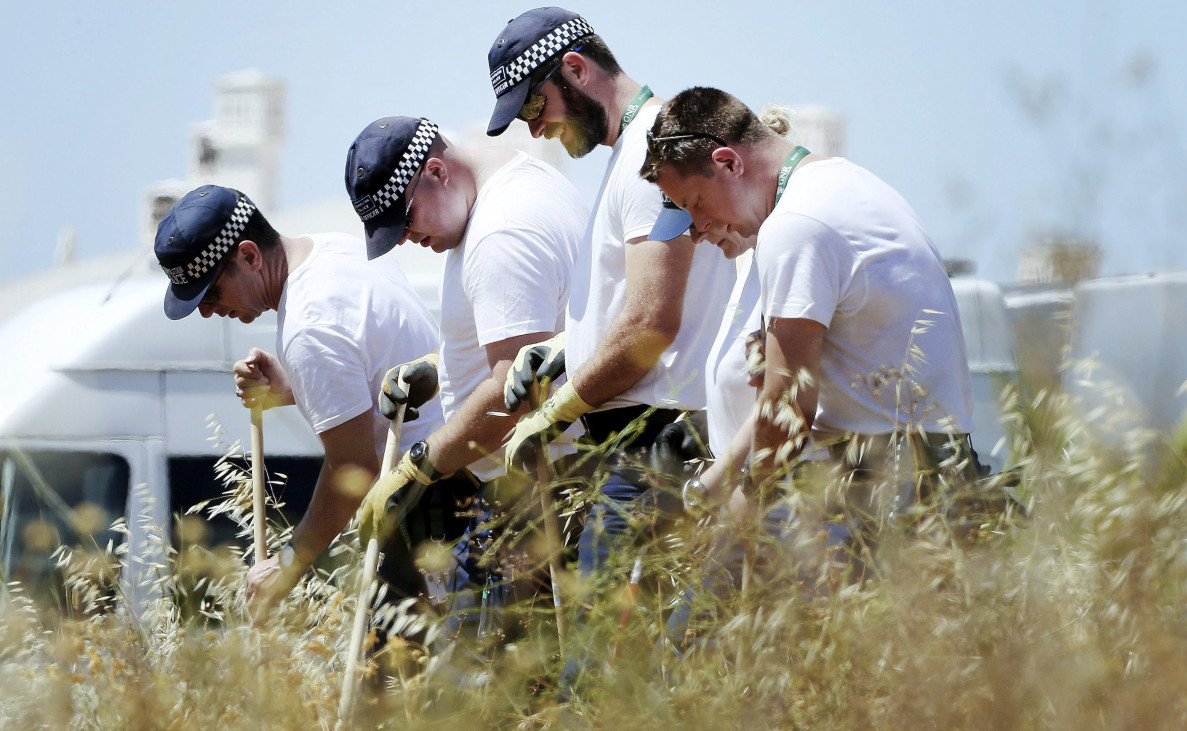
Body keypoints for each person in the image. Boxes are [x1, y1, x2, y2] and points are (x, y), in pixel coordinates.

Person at [641, 86, 980, 563]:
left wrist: (746, 502)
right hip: (926, 470)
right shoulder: (844, 182)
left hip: (884, 484)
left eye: (695, 202)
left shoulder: (797, 223)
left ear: (729, 163)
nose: (696, 227)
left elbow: (789, 402)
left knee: (693, 636)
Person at [484, 8, 733, 579]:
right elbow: (642, 302)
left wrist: (555, 411)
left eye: (532, 105)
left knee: (606, 661)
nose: (534, 128)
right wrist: (571, 346)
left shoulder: (650, 152)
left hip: (652, 444)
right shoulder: (633, 153)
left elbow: (650, 324)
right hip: (638, 443)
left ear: (575, 69)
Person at [153, 184, 448, 613]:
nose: (207, 311)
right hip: (459, 468)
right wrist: (291, 388)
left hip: (429, 503)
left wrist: (289, 564)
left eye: (210, 292)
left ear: (249, 256)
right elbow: (370, 368)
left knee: (405, 675)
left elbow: (354, 468)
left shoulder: (307, 327)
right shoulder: (335, 250)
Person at [344, 115, 586, 631]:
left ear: (436, 171)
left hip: (535, 499)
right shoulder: (515, 185)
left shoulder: (501, 232)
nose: (406, 237)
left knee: (507, 692)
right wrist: (443, 365)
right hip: (528, 492)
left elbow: (516, 387)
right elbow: (534, 335)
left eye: (404, 218)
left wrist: (419, 468)